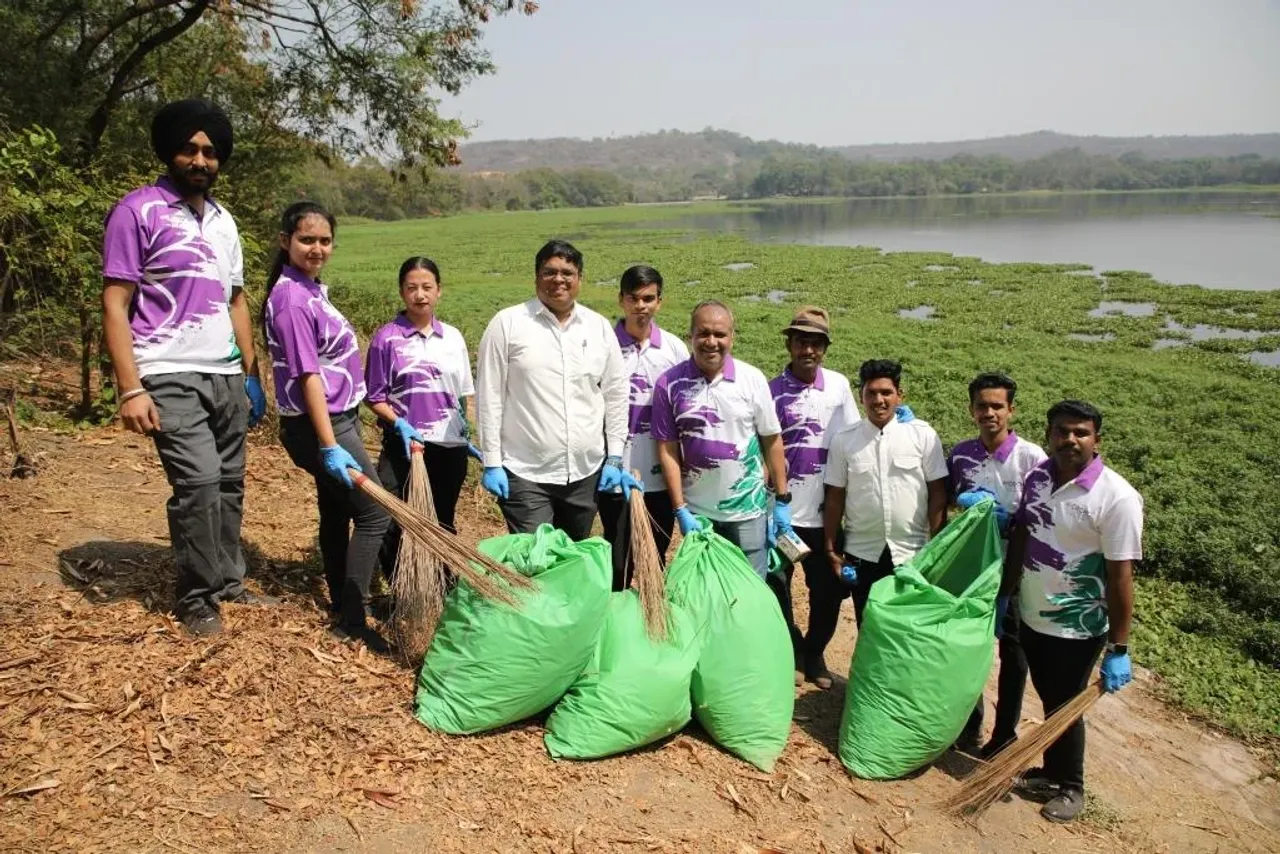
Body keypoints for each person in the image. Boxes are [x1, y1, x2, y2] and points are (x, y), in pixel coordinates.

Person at [101, 99, 269, 637]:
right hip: (167, 370)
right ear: (170, 152)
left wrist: (250, 373)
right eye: (190, 149)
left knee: (229, 484)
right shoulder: (138, 210)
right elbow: (115, 301)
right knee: (198, 483)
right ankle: (197, 596)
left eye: (210, 152)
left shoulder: (223, 221)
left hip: (224, 374)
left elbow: (236, 300)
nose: (200, 159)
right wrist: (130, 389)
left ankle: (227, 579)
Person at [1003, 400, 1142, 823]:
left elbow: (1121, 578)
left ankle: (1072, 786)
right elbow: (1024, 536)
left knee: (1065, 704)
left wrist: (1118, 647)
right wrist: (1005, 595)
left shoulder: (1116, 498)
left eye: (1081, 432)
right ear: (1049, 435)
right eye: (1062, 431)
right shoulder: (1037, 477)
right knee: (1049, 699)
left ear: (1097, 439)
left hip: (1077, 627)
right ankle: (1051, 769)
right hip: (1032, 613)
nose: (1070, 440)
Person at [263, 201, 391, 652]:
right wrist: (329, 443)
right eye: (306, 240)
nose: (316, 248)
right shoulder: (292, 299)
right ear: (286, 242)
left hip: (336, 420)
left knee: (338, 511)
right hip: (324, 425)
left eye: (324, 240)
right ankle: (352, 621)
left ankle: (342, 601)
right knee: (376, 514)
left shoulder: (309, 288)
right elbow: (308, 376)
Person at [475, 239, 637, 540]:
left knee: (571, 559)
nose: (558, 280)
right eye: (549, 272)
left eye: (567, 272)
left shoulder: (598, 327)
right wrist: (492, 462)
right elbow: (489, 396)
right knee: (536, 564)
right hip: (525, 473)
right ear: (536, 276)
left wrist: (615, 456)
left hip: (584, 473)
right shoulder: (508, 324)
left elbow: (615, 394)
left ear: (580, 279)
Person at [651, 300, 790, 579]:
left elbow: (771, 441)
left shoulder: (752, 379)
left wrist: (783, 501)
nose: (711, 342)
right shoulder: (669, 384)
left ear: (732, 338)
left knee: (750, 593)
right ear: (690, 336)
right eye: (703, 333)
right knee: (707, 593)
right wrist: (680, 509)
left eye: (720, 334)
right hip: (699, 515)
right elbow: (667, 451)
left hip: (748, 512)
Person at [949, 372, 1047, 756]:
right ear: (971, 409)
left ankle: (1004, 734)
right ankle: (968, 724)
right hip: (974, 569)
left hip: (1019, 571)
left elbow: (1040, 517)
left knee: (1013, 654)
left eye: (997, 406)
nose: (989, 413)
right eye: (981, 406)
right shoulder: (961, 454)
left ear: (1011, 410)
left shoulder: (1032, 458)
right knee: (968, 647)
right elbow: (951, 499)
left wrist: (1010, 520)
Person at [365, 257, 480, 577]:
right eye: (412, 288)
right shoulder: (386, 339)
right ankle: (397, 583)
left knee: (442, 518)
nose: (420, 295)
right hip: (403, 446)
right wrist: (397, 422)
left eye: (427, 287)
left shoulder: (453, 338)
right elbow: (374, 396)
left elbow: (461, 394)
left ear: (439, 291)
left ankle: (441, 582)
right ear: (402, 292)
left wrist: (465, 436)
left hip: (448, 445)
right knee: (392, 518)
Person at [768, 307, 861, 689]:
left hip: (826, 514)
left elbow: (855, 436)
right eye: (802, 341)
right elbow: (762, 448)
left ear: (825, 348)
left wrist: (892, 423)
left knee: (827, 591)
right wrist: (772, 502)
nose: (809, 349)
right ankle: (790, 646)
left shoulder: (838, 386)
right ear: (789, 344)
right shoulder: (770, 391)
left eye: (817, 343)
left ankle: (815, 650)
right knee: (777, 584)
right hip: (784, 511)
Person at [823, 359, 947, 626]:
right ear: (861, 396)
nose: (879, 400)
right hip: (863, 553)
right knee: (868, 625)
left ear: (899, 396)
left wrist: (937, 548)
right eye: (871, 393)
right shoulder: (845, 439)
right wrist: (831, 548)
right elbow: (835, 497)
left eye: (886, 392)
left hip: (912, 552)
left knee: (909, 628)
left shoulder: (922, 435)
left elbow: (938, 493)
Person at [597, 265, 690, 590]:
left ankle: (651, 621)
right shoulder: (604, 345)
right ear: (621, 300)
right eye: (634, 298)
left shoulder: (675, 349)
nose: (641, 306)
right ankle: (616, 615)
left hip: (661, 476)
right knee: (619, 558)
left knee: (656, 553)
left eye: (649, 298)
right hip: (614, 472)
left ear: (659, 302)